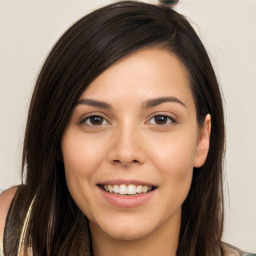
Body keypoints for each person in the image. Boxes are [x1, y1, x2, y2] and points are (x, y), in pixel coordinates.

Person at [0, 1, 255, 255]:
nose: (125, 152)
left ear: (202, 139)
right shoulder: (12, 233)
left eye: (161, 119)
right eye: (95, 120)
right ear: (57, 141)